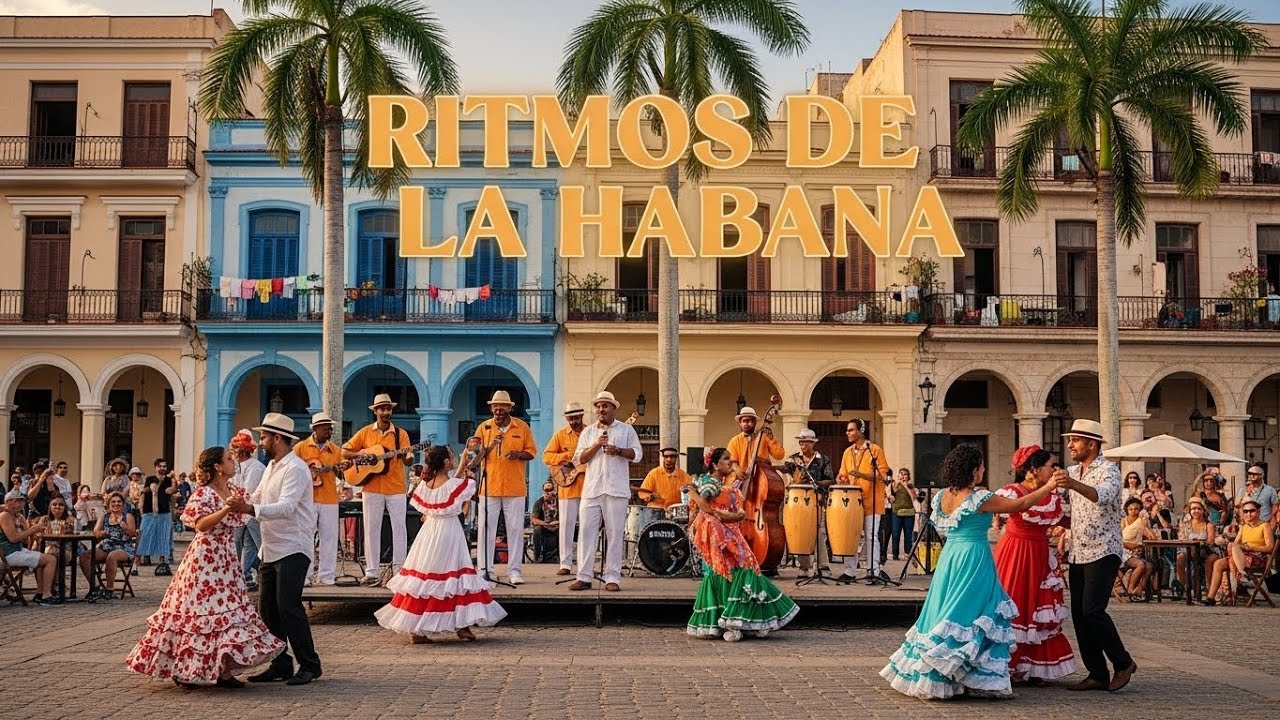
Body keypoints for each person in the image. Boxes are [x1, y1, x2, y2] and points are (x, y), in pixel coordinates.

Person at [881, 443, 1061, 700]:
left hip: (950, 558)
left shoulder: (942, 495)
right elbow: (1019, 505)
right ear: (974, 470)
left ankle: (949, 672)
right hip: (973, 558)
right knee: (972, 613)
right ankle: (958, 673)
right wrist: (1049, 486)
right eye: (982, 467)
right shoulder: (979, 498)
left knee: (946, 611)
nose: (984, 471)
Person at [126, 446, 284, 688]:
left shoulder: (233, 489)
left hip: (226, 559)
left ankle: (222, 669)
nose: (234, 463)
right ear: (218, 467)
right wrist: (226, 509)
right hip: (204, 560)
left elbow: (252, 506)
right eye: (229, 459)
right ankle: (185, 669)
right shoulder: (203, 494)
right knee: (196, 613)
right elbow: (200, 525)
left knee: (228, 612)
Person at [375, 443, 507, 643]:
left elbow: (447, 486)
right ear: (446, 462)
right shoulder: (455, 485)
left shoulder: (424, 486)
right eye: (452, 458)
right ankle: (462, 625)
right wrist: (465, 468)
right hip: (449, 531)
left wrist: (462, 463)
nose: (453, 461)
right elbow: (455, 488)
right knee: (454, 576)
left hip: (429, 532)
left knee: (428, 577)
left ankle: (419, 629)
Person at [226, 413, 322, 686]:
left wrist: (250, 509)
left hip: (293, 545)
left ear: (278, 438)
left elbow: (287, 507)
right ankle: (281, 663)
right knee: (267, 609)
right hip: (270, 547)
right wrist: (239, 503)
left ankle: (310, 665)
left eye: (264, 436)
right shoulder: (271, 467)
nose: (261, 441)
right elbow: (258, 496)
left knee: (289, 607)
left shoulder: (296, 468)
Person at [1053, 419, 1137, 692]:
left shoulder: (1109, 470)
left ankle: (1123, 662)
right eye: (1070, 440)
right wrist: (1056, 521)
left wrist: (1074, 484)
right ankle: (1097, 672)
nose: (1069, 445)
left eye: (1075, 440)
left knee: (1093, 611)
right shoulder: (1074, 470)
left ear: (1092, 443)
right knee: (1078, 614)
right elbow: (1075, 512)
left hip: (1104, 550)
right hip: (1078, 551)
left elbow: (1102, 496)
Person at [685, 447, 798, 641]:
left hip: (726, 531)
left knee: (730, 570)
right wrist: (693, 493)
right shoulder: (710, 483)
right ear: (714, 464)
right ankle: (735, 620)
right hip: (718, 534)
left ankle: (731, 620)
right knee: (738, 568)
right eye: (726, 459)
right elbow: (705, 506)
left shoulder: (719, 484)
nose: (731, 462)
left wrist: (736, 515)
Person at [992, 445, 1076, 685]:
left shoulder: (1053, 497)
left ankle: (1033, 667)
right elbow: (1001, 511)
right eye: (1050, 465)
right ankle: (1006, 664)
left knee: (1037, 607)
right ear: (1034, 469)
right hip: (1015, 553)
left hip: (1039, 554)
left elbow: (1065, 520)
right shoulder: (1011, 492)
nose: (1054, 469)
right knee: (1014, 602)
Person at [568, 391, 642, 592]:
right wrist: (596, 445)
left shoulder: (626, 430)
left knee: (615, 534)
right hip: (592, 489)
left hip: (616, 489)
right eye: (598, 406)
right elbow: (579, 459)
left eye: (605, 406)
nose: (601, 409)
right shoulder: (589, 432)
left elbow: (637, 455)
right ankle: (584, 576)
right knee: (586, 533)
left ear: (613, 408)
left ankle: (612, 577)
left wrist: (618, 451)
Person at [343, 393, 415, 587]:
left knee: (399, 528)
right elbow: (345, 451)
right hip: (371, 486)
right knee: (371, 528)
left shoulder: (401, 434)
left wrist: (408, 457)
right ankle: (372, 571)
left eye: (388, 408)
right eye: (381, 408)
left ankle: (400, 568)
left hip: (396, 486)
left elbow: (408, 458)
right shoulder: (365, 432)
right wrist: (363, 455)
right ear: (375, 411)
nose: (385, 412)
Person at [473, 390, 537, 585]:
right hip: (489, 487)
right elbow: (475, 457)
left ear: (511, 407)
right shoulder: (484, 428)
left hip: (514, 487)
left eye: (502, 406)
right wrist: (488, 447)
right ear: (491, 408)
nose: (498, 410)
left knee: (515, 530)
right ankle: (485, 569)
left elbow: (532, 452)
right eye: (495, 406)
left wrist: (518, 454)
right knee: (486, 529)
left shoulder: (522, 426)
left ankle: (514, 571)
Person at [836, 418, 891, 583]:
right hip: (852, 503)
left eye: (851, 430)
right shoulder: (847, 452)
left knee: (871, 535)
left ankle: (873, 570)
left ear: (861, 430)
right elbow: (843, 474)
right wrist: (840, 479)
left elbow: (882, 475)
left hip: (871, 501)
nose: (848, 433)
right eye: (847, 430)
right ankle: (850, 571)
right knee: (852, 536)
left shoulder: (875, 450)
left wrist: (862, 475)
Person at [295, 412, 343, 586]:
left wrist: (340, 471)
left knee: (329, 539)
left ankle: (326, 576)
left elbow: (343, 474)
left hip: (330, 499)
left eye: (330, 429)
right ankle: (305, 576)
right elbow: (293, 471)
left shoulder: (336, 450)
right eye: (326, 429)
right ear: (315, 429)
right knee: (306, 538)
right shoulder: (300, 448)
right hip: (307, 500)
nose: (329, 431)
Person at [541, 402, 587, 576]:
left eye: (577, 417)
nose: (574, 421)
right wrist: (567, 456)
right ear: (567, 418)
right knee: (566, 526)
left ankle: (584, 562)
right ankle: (565, 563)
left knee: (586, 527)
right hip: (567, 487)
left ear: (582, 416)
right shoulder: (560, 436)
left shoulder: (591, 433)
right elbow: (546, 456)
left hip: (588, 486)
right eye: (571, 418)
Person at [781, 428, 834, 577]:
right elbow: (784, 473)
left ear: (812, 443)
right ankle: (804, 567)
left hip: (816, 499)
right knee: (801, 532)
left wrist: (816, 483)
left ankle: (823, 567)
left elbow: (830, 479)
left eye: (805, 442)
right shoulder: (793, 459)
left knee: (818, 532)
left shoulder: (823, 459)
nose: (802, 444)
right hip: (798, 501)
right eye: (801, 442)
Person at [1204, 499, 1275, 605]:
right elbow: (1236, 545)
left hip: (1257, 557)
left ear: (1258, 512)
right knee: (1219, 563)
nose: (1248, 514)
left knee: (1233, 551)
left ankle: (1241, 576)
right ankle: (1211, 597)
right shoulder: (1244, 527)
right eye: (1245, 511)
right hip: (1241, 557)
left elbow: (1270, 548)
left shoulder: (1264, 526)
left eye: (1252, 511)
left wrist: (1250, 547)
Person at [1, 489, 58, 604]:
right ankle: (46, 595)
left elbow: (27, 534)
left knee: (44, 558)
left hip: (18, 550)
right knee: (50, 560)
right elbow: (13, 538)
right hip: (8, 554)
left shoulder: (18, 516)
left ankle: (40, 593)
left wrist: (36, 533)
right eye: (19, 501)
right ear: (11, 502)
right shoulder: (5, 516)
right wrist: (33, 529)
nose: (22, 504)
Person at [84, 492, 137, 599]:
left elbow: (132, 533)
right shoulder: (104, 516)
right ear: (108, 504)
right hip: (107, 546)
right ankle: (95, 586)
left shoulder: (127, 516)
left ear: (123, 504)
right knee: (85, 556)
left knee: (112, 556)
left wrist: (125, 527)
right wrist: (101, 533)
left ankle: (109, 589)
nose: (116, 504)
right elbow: (96, 532)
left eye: (119, 502)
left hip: (123, 547)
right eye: (113, 501)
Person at [231, 430, 266, 590]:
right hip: (239, 512)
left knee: (258, 544)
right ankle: (242, 575)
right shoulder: (236, 467)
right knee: (241, 543)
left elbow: (250, 491)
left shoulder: (256, 467)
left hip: (251, 511)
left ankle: (261, 575)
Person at [136, 458, 177, 575]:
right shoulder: (150, 479)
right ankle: (136, 564)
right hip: (149, 512)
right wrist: (141, 509)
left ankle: (162, 563)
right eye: (160, 466)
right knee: (144, 536)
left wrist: (174, 479)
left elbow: (172, 491)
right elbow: (144, 492)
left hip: (164, 512)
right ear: (156, 467)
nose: (162, 468)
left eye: (164, 466)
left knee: (163, 537)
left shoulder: (169, 480)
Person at [1175, 497, 1218, 598]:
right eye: (1193, 509)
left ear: (1203, 510)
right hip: (1188, 550)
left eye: (1198, 509)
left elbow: (1210, 541)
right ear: (1190, 511)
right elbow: (1182, 538)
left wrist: (1199, 543)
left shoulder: (1208, 525)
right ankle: (1184, 586)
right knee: (1179, 558)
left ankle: (1209, 590)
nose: (1196, 511)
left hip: (1205, 551)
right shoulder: (1185, 525)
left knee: (1210, 560)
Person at [888, 468, 917, 562]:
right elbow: (891, 498)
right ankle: (895, 554)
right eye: (901, 474)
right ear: (898, 476)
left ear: (908, 477)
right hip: (897, 512)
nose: (903, 476)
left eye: (905, 474)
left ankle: (907, 553)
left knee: (908, 534)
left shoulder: (911, 487)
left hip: (909, 513)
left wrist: (907, 487)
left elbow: (913, 498)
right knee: (896, 534)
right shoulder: (895, 485)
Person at [529, 482, 560, 563]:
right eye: (545, 490)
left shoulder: (559, 502)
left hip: (558, 525)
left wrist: (558, 522)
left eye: (550, 490)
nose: (547, 492)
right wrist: (547, 524)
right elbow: (534, 519)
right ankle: (537, 557)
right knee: (537, 530)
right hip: (544, 526)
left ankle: (561, 557)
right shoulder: (539, 502)